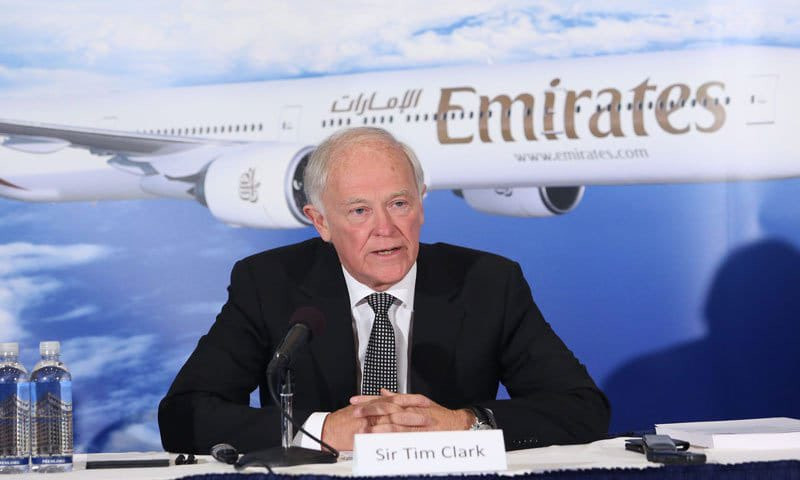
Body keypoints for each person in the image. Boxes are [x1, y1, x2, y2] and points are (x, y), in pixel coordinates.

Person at [158, 127, 609, 454]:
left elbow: (582, 408)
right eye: (359, 211)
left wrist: (464, 424)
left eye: (399, 203)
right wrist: (321, 431)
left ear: (421, 203)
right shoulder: (268, 283)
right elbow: (184, 415)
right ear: (321, 222)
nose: (385, 229)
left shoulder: (488, 281)